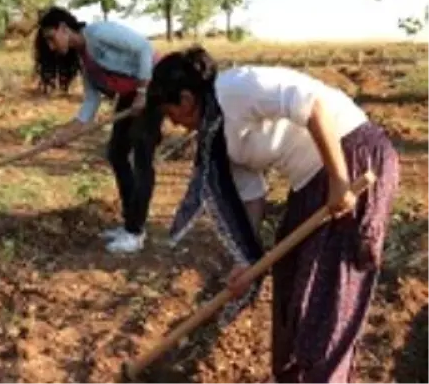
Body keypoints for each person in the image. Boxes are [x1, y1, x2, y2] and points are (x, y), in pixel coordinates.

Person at [147, 47, 399, 382]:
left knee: (327, 297)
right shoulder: (216, 138)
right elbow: (252, 195)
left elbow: (313, 105)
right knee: (290, 280)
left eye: (170, 112)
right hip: (309, 182)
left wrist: (339, 181)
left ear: (186, 98)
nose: (175, 123)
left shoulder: (235, 88)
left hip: (351, 157)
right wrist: (247, 262)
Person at [34, 7, 159, 254]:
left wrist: (144, 93)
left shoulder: (100, 33)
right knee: (116, 153)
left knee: (142, 157)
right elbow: (89, 105)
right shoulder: (86, 62)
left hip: (155, 87)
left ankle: (135, 232)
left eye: (51, 37)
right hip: (131, 96)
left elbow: (145, 48)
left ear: (63, 28)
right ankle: (130, 224)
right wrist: (65, 134)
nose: (51, 46)